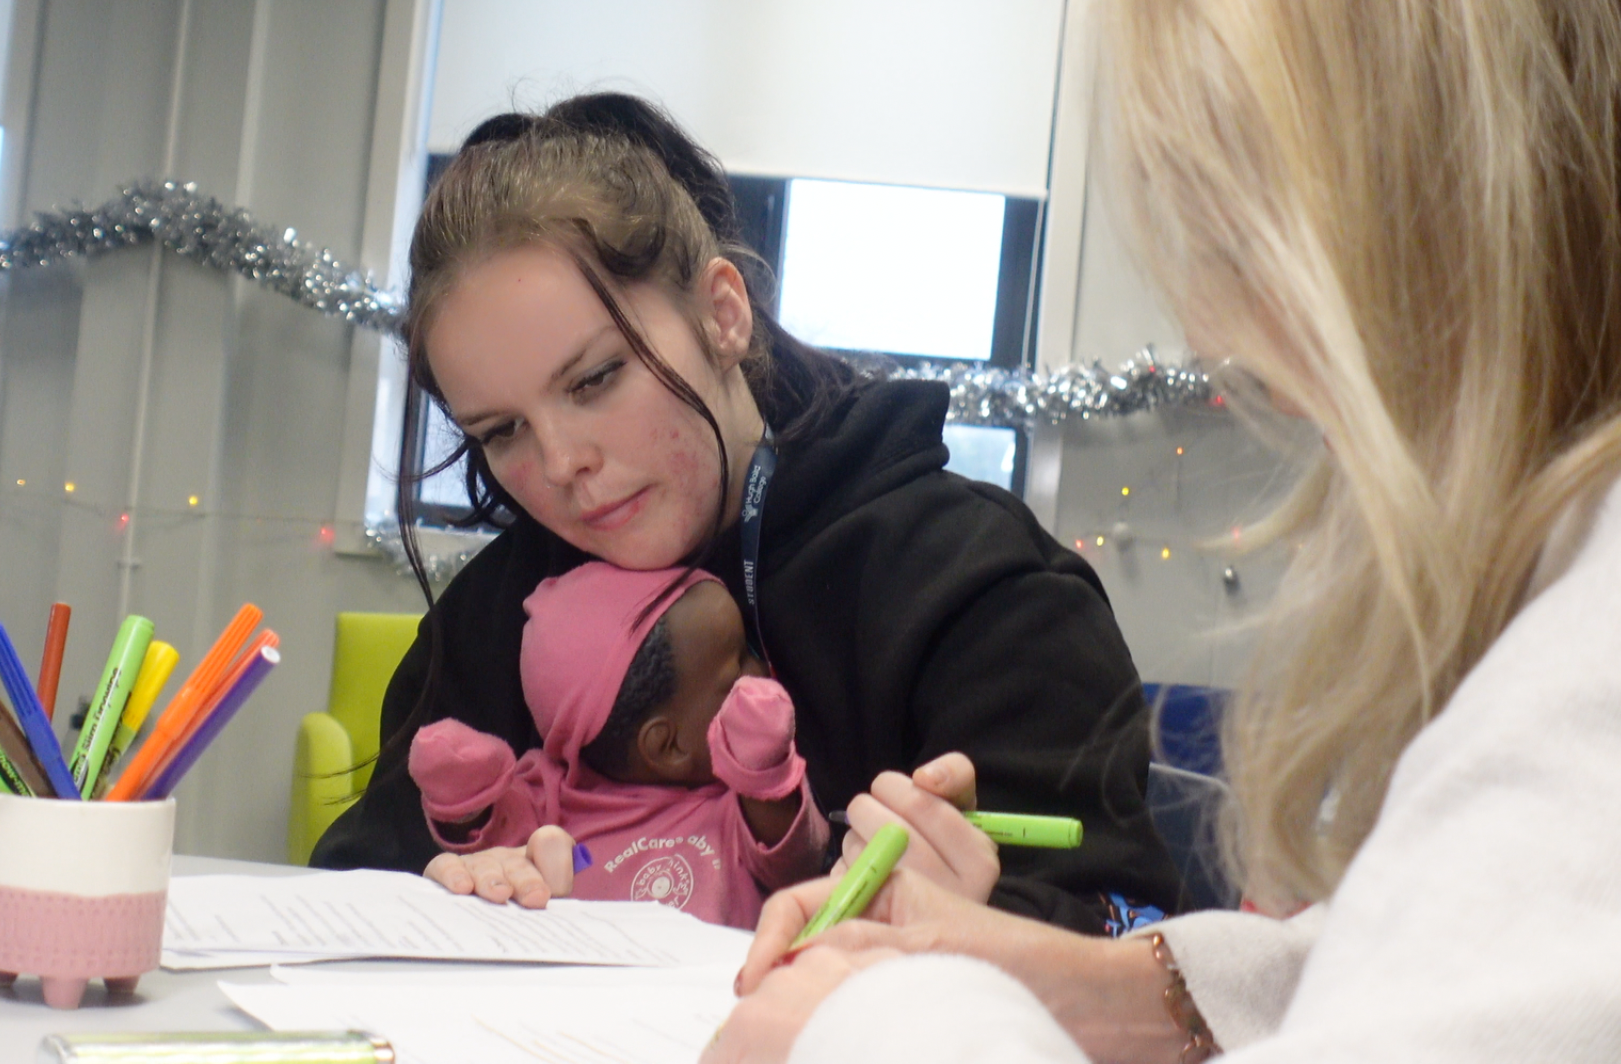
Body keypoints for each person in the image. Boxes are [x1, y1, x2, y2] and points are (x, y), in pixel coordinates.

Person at [704, 0, 1621, 1060]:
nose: (1223, 337)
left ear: (1489, 205)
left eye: (1251, 231)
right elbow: (1462, 949)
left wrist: (878, 1028)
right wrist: (1084, 987)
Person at [310, 92, 1183, 935]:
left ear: (722, 314)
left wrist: (972, 934)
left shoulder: (979, 583)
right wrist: (446, 893)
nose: (559, 463)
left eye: (593, 379)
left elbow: (1130, 942)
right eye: (502, 431)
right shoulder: (497, 616)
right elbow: (353, 893)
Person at [408, 561, 827, 928]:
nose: (762, 666)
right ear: (668, 747)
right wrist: (467, 796)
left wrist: (762, 770)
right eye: (739, 662)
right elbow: (494, 841)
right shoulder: (549, 794)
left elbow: (795, 858)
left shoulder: (734, 809)